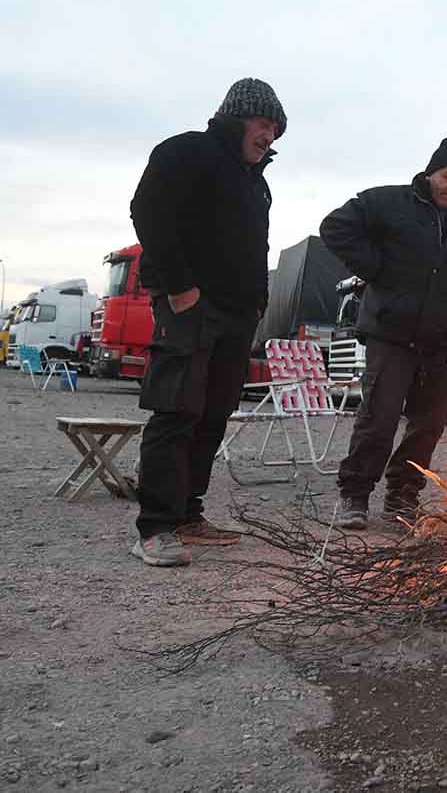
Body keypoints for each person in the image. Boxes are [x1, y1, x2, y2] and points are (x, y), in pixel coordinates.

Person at [129, 78, 287, 567]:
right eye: (264, 125)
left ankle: (187, 514)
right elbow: (149, 212)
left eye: (276, 131)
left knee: (213, 413)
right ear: (239, 116)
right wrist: (179, 287)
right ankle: (154, 527)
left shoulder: (256, 181)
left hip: (239, 313)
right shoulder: (186, 152)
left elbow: (256, 248)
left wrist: (259, 301)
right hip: (191, 305)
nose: (270, 137)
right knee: (177, 408)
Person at [320, 137, 447, 528]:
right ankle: (355, 496)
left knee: (428, 427)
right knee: (378, 418)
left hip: (444, 343)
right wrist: (374, 268)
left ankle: (403, 497)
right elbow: (335, 227)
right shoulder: (390, 204)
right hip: (392, 335)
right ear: (431, 174)